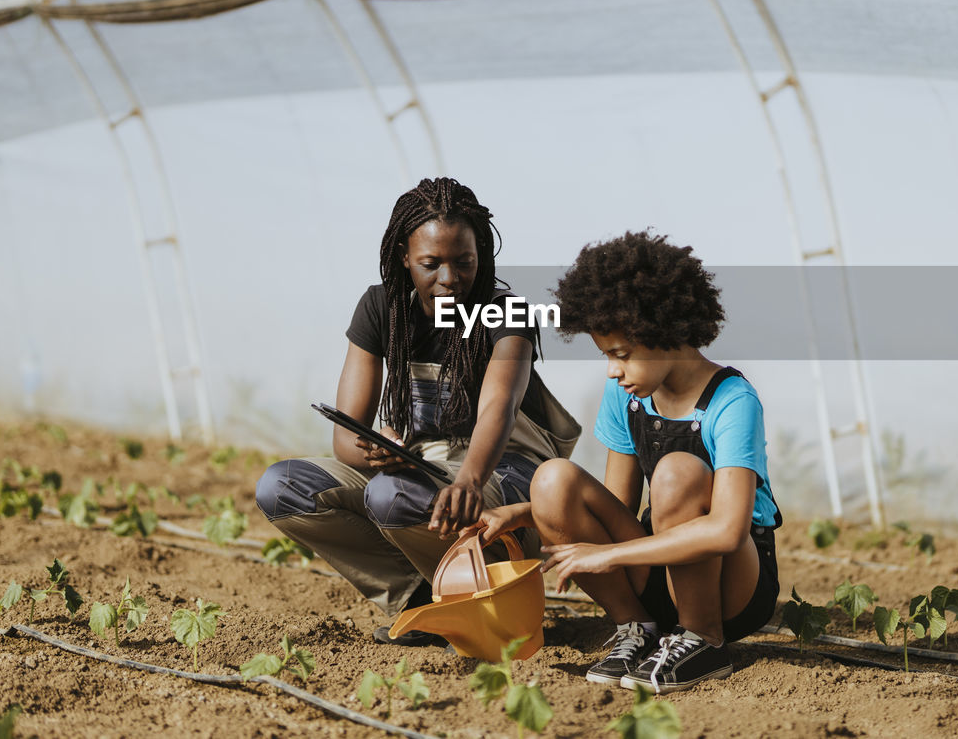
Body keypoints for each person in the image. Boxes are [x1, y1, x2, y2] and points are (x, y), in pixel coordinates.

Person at [256, 177, 579, 645]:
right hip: (421, 469)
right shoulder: (381, 309)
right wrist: (377, 451)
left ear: (481, 257)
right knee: (282, 486)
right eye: (431, 264)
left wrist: (468, 479)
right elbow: (346, 439)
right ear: (404, 257)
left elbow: (498, 408)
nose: (449, 278)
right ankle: (422, 600)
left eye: (464, 262)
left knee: (392, 495)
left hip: (505, 478)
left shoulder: (506, 314)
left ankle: (481, 592)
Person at [471, 230, 781, 693]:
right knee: (552, 479)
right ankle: (638, 628)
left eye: (621, 354)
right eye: (606, 355)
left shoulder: (733, 401)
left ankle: (703, 639)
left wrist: (608, 555)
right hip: (661, 563)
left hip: (731, 586)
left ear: (665, 332)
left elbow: (727, 530)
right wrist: (521, 514)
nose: (613, 370)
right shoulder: (627, 395)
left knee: (677, 472)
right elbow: (614, 506)